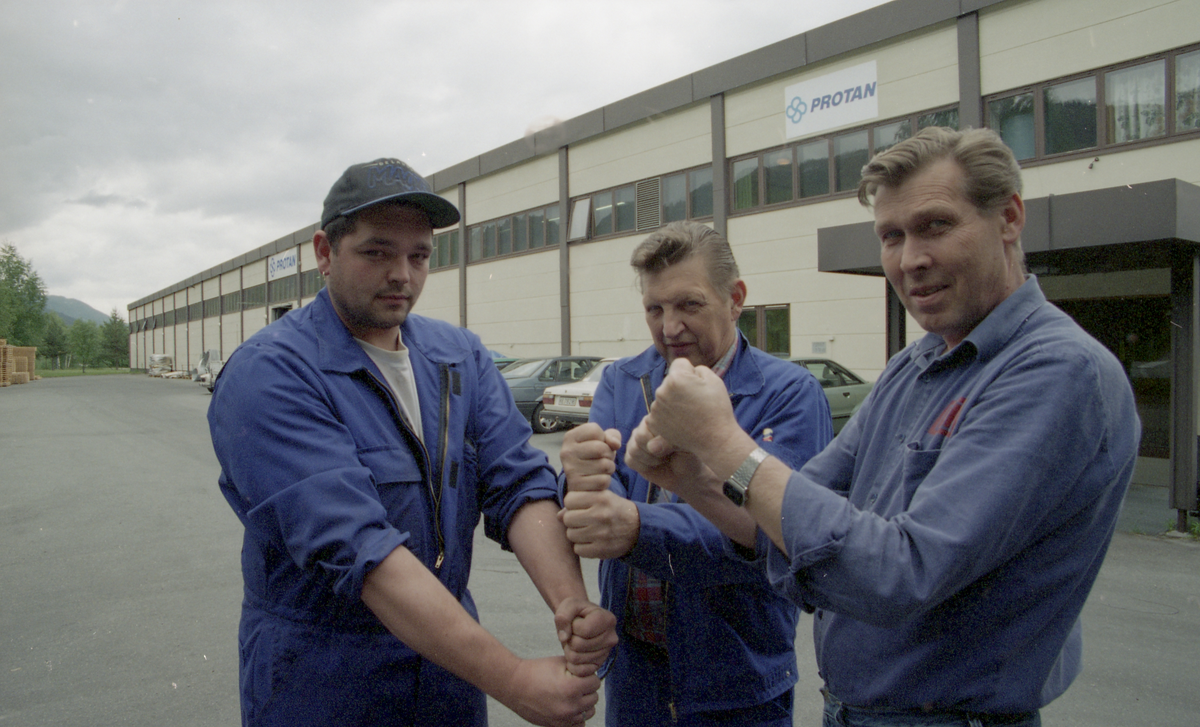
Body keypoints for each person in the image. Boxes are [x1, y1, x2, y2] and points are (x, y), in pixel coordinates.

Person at [628, 128, 1141, 726]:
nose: (910, 259)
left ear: (1009, 218)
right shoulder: (914, 365)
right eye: (891, 236)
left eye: (935, 226)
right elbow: (789, 518)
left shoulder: (1057, 372)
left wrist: (722, 443)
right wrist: (691, 477)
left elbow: (900, 574)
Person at [208, 158, 616, 727]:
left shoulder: (459, 359)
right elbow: (360, 551)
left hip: (447, 672)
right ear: (325, 253)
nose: (402, 273)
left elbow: (518, 482)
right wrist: (515, 680)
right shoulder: (272, 374)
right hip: (323, 682)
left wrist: (570, 604)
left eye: (418, 255)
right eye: (376, 252)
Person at [558, 221, 833, 726]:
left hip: (738, 684)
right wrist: (579, 473)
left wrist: (635, 528)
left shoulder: (789, 394)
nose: (669, 328)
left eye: (689, 305)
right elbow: (601, 492)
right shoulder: (624, 378)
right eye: (654, 308)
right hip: (635, 676)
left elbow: (776, 533)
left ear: (735, 298)